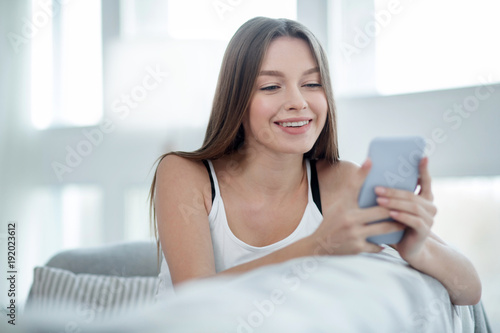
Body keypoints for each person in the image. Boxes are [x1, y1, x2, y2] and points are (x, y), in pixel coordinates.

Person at [149, 16, 481, 305]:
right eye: (271, 86)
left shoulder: (343, 182)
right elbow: (196, 298)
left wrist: (416, 249)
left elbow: (470, 289)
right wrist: (319, 245)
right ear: (237, 98)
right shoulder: (184, 174)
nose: (297, 101)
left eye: (312, 83)